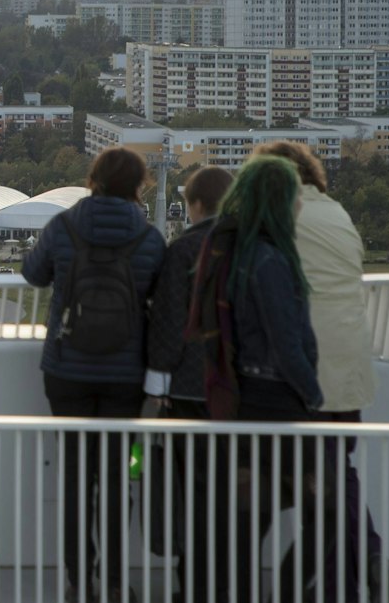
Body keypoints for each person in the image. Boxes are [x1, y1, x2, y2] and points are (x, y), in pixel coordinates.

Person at [23, 147, 166, 602]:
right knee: (120, 475)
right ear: (139, 186)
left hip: (66, 371)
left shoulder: (63, 227)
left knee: (76, 478)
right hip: (126, 376)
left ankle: (78, 578)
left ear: (93, 179)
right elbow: (161, 298)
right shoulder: (149, 238)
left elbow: (33, 274)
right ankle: (117, 579)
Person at [249, 140, 382, 601]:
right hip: (351, 365)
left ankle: (336, 575)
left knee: (311, 485)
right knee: (335, 472)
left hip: (306, 369)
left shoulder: (280, 216)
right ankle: (362, 560)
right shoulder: (337, 212)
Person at [189, 154, 324, 603]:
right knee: (325, 511)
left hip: (246, 397)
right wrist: (314, 396)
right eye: (295, 197)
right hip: (278, 401)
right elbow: (286, 343)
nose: (300, 205)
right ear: (278, 202)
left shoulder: (238, 251)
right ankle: (283, 590)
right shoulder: (269, 260)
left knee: (251, 519)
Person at [144, 165, 232, 599]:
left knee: (192, 493)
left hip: (189, 391)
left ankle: (193, 584)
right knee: (233, 496)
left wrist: (158, 388)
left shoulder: (183, 250)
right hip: (240, 392)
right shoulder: (255, 246)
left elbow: (169, 323)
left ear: (194, 205)